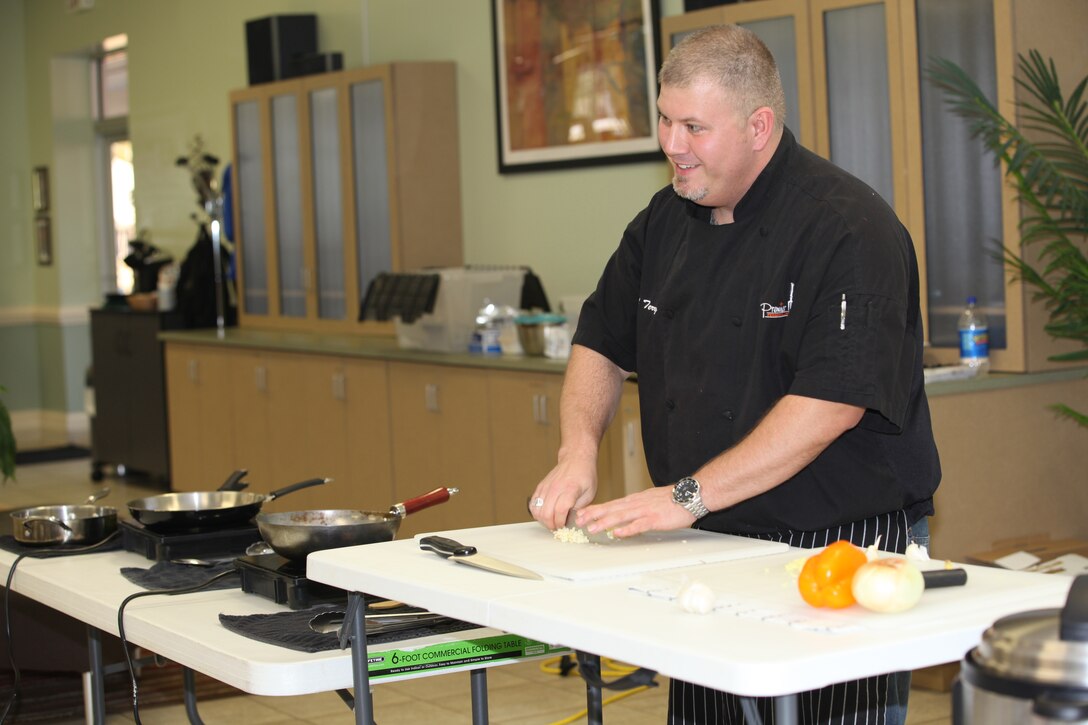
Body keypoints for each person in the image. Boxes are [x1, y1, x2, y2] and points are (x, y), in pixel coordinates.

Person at [529, 24, 941, 725]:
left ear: (759, 125)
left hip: (836, 541)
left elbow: (830, 404)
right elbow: (600, 340)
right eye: (664, 119)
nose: (671, 144)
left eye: (694, 126)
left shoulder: (849, 229)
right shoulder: (664, 220)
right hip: (709, 537)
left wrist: (686, 493)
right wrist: (577, 451)